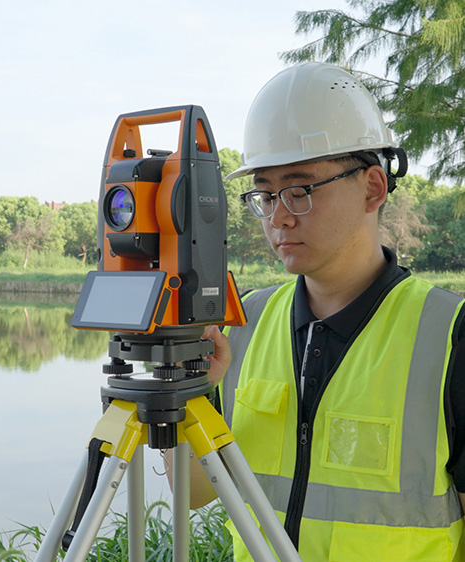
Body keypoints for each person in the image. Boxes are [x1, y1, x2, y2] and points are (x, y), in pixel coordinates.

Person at [197, 62, 465, 561]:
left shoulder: (449, 335)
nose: (278, 216)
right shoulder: (242, 324)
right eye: (265, 194)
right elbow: (194, 492)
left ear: (373, 188)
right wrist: (182, 391)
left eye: (299, 191)